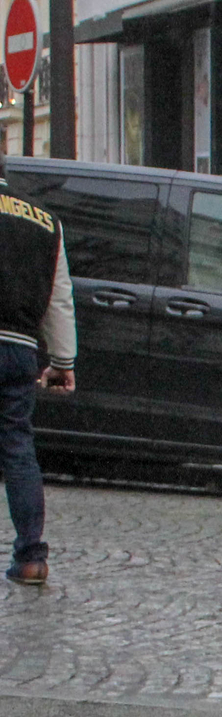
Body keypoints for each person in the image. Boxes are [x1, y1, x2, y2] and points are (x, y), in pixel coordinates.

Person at [0, 168, 74, 587]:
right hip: (20, 349)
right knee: (17, 447)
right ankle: (31, 556)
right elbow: (59, 296)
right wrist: (63, 360)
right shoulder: (45, 220)